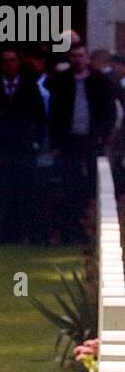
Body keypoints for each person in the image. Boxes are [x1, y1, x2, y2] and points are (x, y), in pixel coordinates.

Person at [50, 40, 117, 242]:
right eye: (74, 56)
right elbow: (54, 114)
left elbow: (109, 113)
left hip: (92, 142)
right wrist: (57, 142)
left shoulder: (100, 81)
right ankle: (68, 231)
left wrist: (101, 136)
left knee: (92, 186)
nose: (77, 60)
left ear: (87, 58)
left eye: (81, 56)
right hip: (69, 142)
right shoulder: (62, 81)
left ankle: (88, 231)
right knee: (68, 187)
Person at [0, 48, 44, 243]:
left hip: (23, 149)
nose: (9, 65)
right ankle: (3, 233)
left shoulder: (29, 86)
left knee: (26, 193)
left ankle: (27, 233)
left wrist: (36, 142)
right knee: (1, 193)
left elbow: (40, 116)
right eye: (5, 61)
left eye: (13, 60)